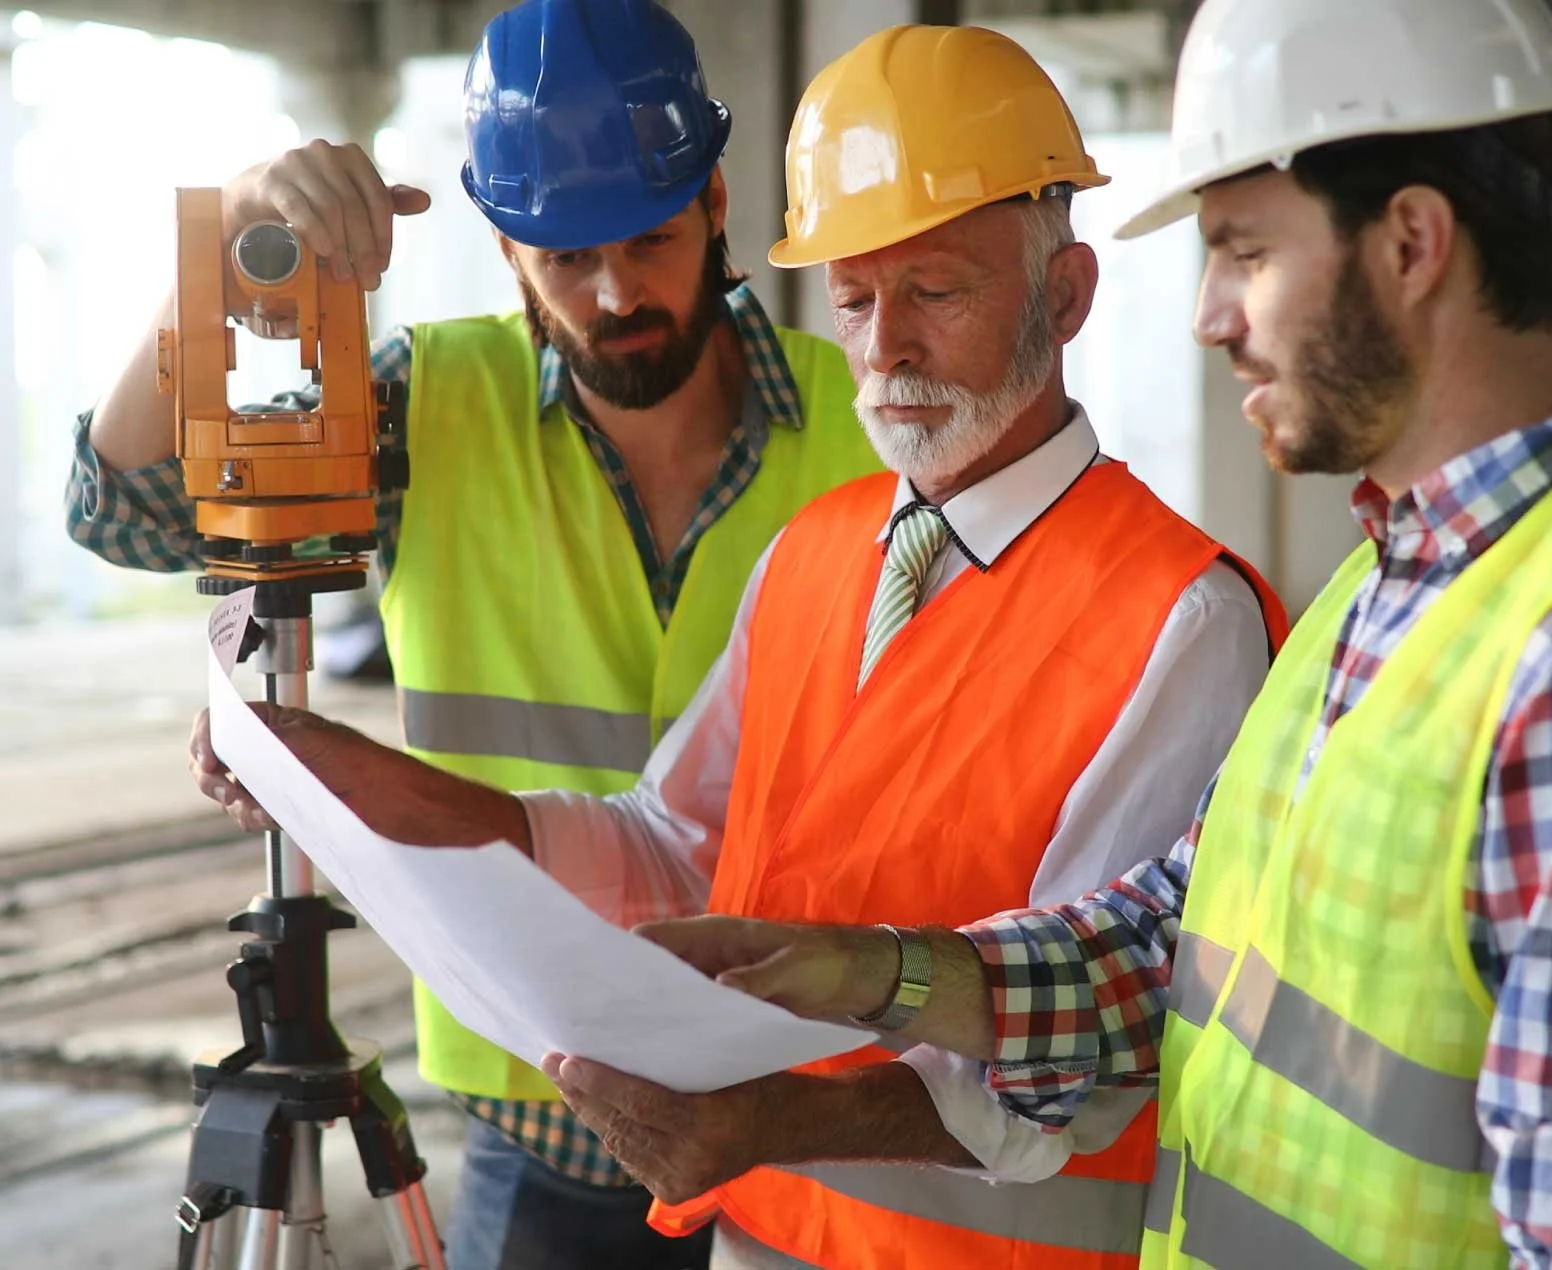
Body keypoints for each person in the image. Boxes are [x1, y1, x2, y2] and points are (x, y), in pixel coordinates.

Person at [616, 0, 1552, 1265]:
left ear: (1410, 242)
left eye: (1243, 251)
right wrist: (867, 972)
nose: (1207, 314)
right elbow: (1161, 949)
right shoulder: (1382, 595)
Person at [188, 23, 1284, 1270]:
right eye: (858, 299)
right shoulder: (816, 553)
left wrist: (768, 1120)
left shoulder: (1178, 615)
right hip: (759, 1242)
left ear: (1068, 294)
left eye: (935, 291)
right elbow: (671, 849)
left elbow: (1094, 1048)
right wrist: (344, 774)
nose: (886, 350)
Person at [69, 0, 884, 1264]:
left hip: (808, 1098)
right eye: (566, 258)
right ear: (507, 248)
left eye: (651, 239)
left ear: (716, 204)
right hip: (540, 1104)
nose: (617, 292)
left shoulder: (869, 432)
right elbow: (117, 511)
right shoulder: (417, 405)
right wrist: (233, 233)